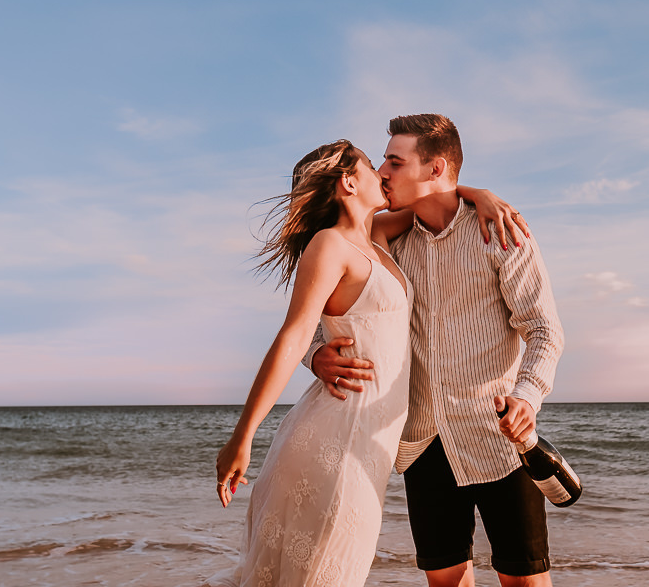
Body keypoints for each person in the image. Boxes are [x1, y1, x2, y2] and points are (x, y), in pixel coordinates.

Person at [206, 139, 524, 587]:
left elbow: (436, 197)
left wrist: (481, 195)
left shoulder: (376, 237)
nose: (384, 174)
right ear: (349, 182)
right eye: (374, 166)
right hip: (335, 437)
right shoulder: (329, 245)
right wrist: (244, 436)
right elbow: (293, 336)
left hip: (368, 448)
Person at [309, 114, 564, 587]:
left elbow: (544, 330)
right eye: (383, 161)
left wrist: (528, 397)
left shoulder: (500, 232)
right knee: (446, 581)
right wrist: (316, 354)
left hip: (498, 438)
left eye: (394, 161)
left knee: (524, 580)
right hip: (424, 442)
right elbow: (322, 307)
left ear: (435, 168)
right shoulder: (387, 243)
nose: (382, 171)